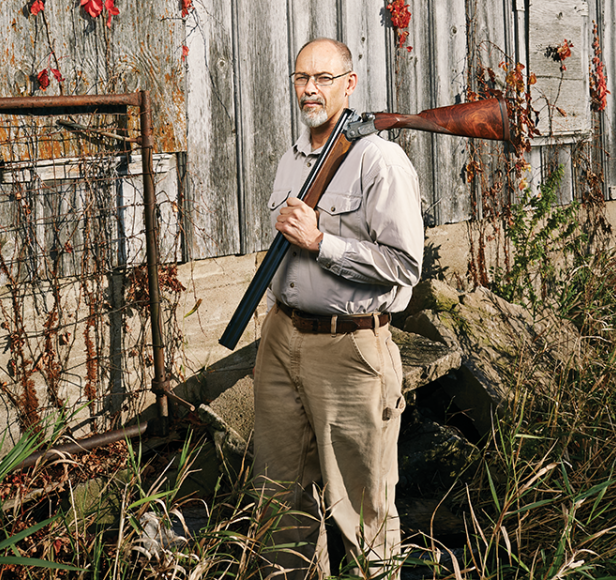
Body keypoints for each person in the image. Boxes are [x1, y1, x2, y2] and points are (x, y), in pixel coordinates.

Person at [253, 37, 424, 579]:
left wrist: (322, 241)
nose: (310, 89)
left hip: (350, 349)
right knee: (279, 502)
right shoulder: (292, 157)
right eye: (302, 78)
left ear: (349, 85)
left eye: (324, 78)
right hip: (282, 341)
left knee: (364, 511)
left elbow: (403, 266)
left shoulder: (382, 160)